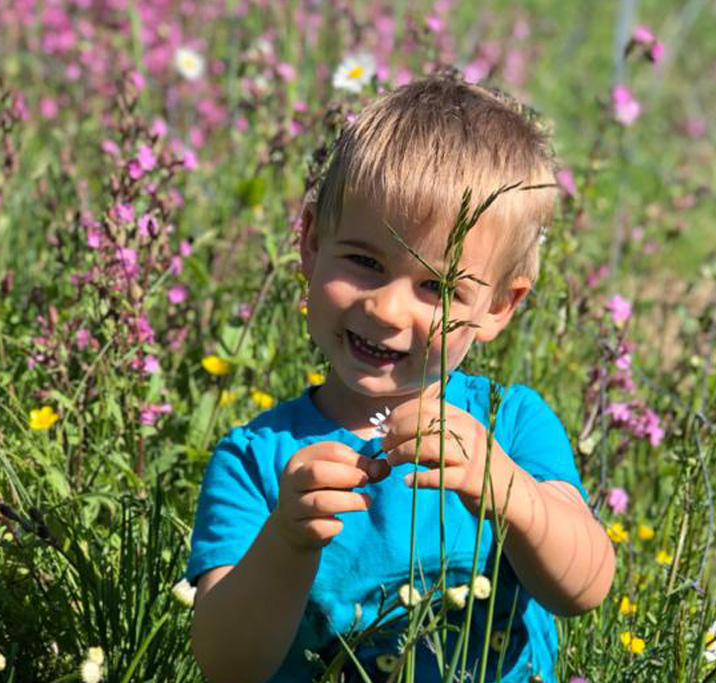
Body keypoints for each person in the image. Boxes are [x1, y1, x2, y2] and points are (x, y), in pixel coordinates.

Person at [187, 73, 616, 683]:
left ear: (499, 306)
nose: (386, 310)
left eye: (437, 288)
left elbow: (587, 585)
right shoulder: (257, 462)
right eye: (364, 262)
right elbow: (228, 664)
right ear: (310, 244)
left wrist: (509, 491)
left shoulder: (510, 426)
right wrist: (286, 543)